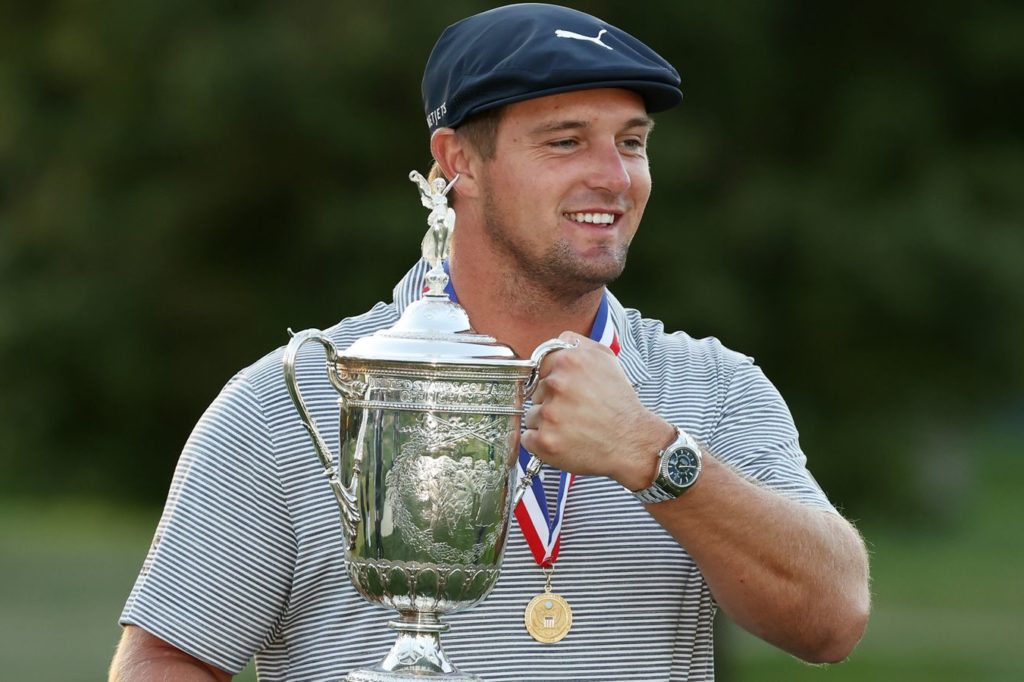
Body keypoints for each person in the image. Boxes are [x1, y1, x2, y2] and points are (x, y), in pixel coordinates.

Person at [110, 4, 870, 681]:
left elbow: (832, 622)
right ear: (459, 163)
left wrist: (651, 454)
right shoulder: (294, 396)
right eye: (566, 142)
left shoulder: (715, 390)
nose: (615, 177)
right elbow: (168, 656)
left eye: (632, 142)